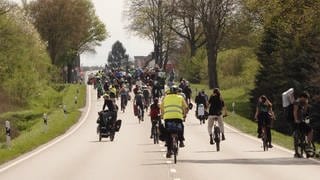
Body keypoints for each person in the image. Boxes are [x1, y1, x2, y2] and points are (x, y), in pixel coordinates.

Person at [161, 86, 188, 158]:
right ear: (177, 92)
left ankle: (169, 151)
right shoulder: (180, 97)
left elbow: (161, 107)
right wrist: (184, 115)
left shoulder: (165, 98)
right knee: (181, 127)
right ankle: (181, 141)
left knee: (168, 133)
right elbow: (186, 107)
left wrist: (162, 116)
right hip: (178, 117)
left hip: (167, 118)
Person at [293, 92, 313, 158]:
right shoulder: (297, 102)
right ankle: (309, 145)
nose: (306, 100)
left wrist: (306, 105)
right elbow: (295, 111)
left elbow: (304, 112)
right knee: (310, 130)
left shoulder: (302, 103)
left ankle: (301, 150)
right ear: (302, 97)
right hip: (297, 121)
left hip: (301, 121)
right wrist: (296, 119)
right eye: (305, 98)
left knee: (302, 134)